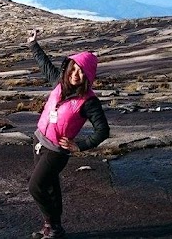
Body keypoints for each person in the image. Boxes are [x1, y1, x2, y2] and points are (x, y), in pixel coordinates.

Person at [26, 29, 110, 239]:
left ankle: (51, 226)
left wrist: (79, 145)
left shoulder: (89, 101)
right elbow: (45, 65)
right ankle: (54, 229)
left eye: (81, 71)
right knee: (51, 187)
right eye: (73, 69)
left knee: (36, 186)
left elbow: (103, 130)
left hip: (57, 150)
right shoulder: (59, 83)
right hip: (40, 141)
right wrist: (33, 45)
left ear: (88, 75)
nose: (75, 74)